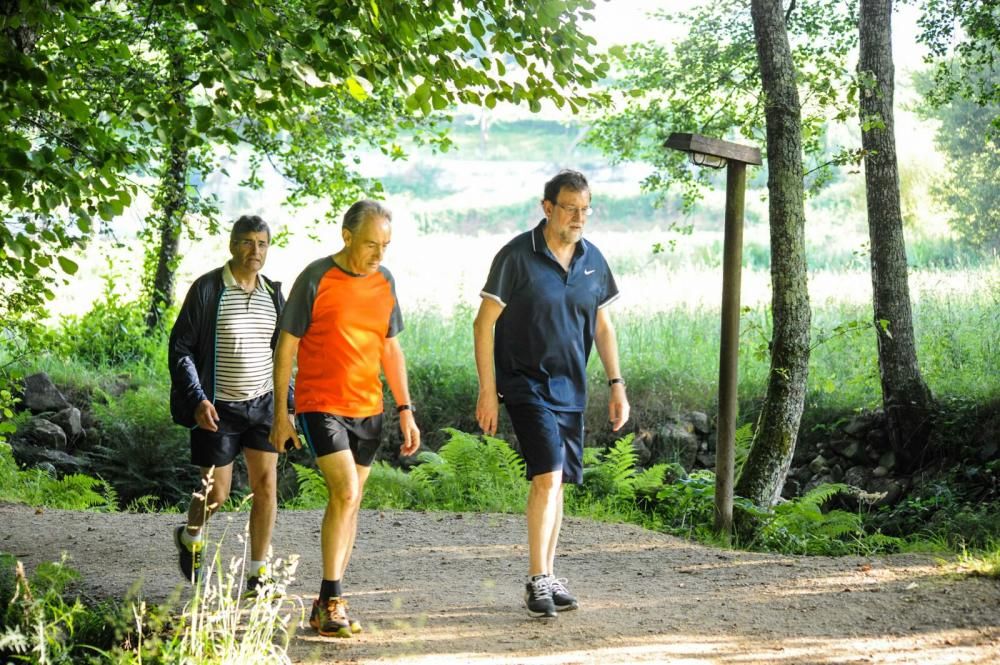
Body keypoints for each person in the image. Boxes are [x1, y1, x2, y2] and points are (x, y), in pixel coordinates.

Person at [473, 169, 630, 619]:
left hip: (571, 389)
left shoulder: (593, 259)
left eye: (585, 210)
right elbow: (484, 323)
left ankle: (549, 573)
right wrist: (489, 390)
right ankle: (537, 579)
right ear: (547, 208)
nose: (579, 217)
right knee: (548, 475)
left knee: (557, 482)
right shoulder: (517, 257)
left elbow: (602, 324)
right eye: (570, 208)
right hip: (524, 383)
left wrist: (616, 385)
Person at [269, 199, 420, 638]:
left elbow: (391, 348)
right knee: (347, 491)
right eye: (371, 243)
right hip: (321, 405)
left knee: (350, 504)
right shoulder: (316, 277)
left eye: (386, 245)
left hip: (369, 409)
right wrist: (283, 414)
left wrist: (406, 410)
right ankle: (331, 598)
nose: (379, 254)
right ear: (346, 235)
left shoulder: (385, 281)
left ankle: (325, 603)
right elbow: (286, 348)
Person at [168, 214, 294, 595]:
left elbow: (285, 354)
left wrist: (285, 407)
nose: (254, 250)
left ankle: (258, 574)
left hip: (263, 406)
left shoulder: (273, 294)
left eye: (261, 243)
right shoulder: (208, 289)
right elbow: (181, 349)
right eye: (246, 242)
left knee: (266, 486)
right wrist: (197, 399)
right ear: (231, 244)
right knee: (217, 493)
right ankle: (190, 536)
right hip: (217, 408)